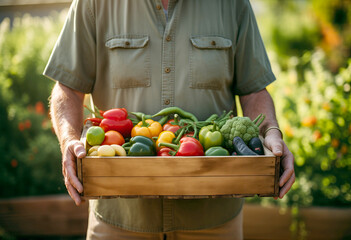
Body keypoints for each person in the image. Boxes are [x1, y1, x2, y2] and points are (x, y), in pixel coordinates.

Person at [45, 0, 295, 239]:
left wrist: (271, 132)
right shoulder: (95, 3)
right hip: (119, 218)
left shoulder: (231, 3)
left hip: (214, 219)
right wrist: (68, 139)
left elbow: (254, 91)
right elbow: (67, 88)